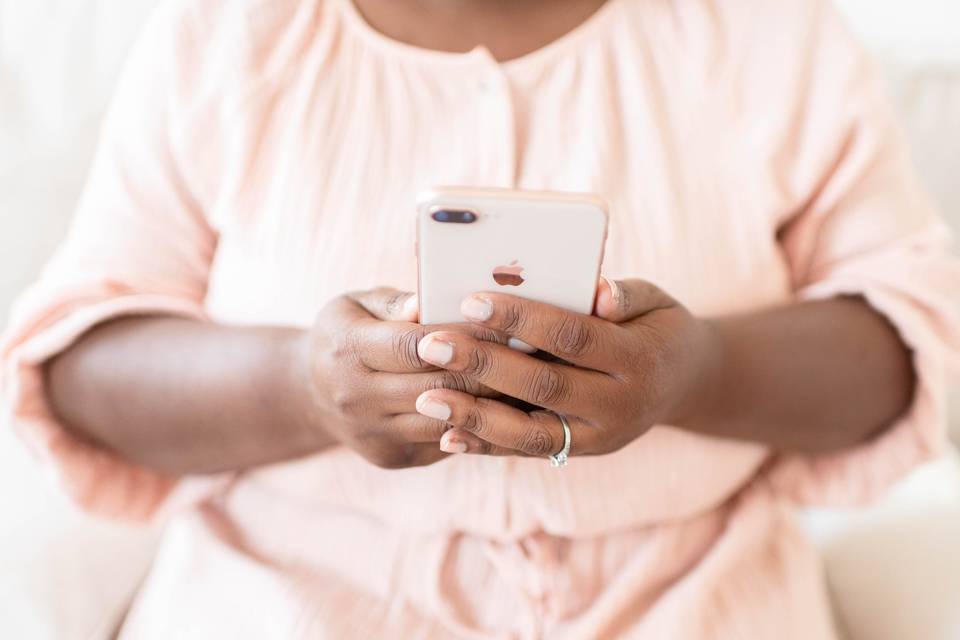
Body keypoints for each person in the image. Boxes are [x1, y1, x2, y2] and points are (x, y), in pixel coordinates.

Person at [2, 0, 958, 637]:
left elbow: (905, 345)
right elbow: (83, 371)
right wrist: (303, 387)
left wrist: (696, 374)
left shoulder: (768, 35)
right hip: (282, 602)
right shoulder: (228, 36)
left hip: (696, 603)